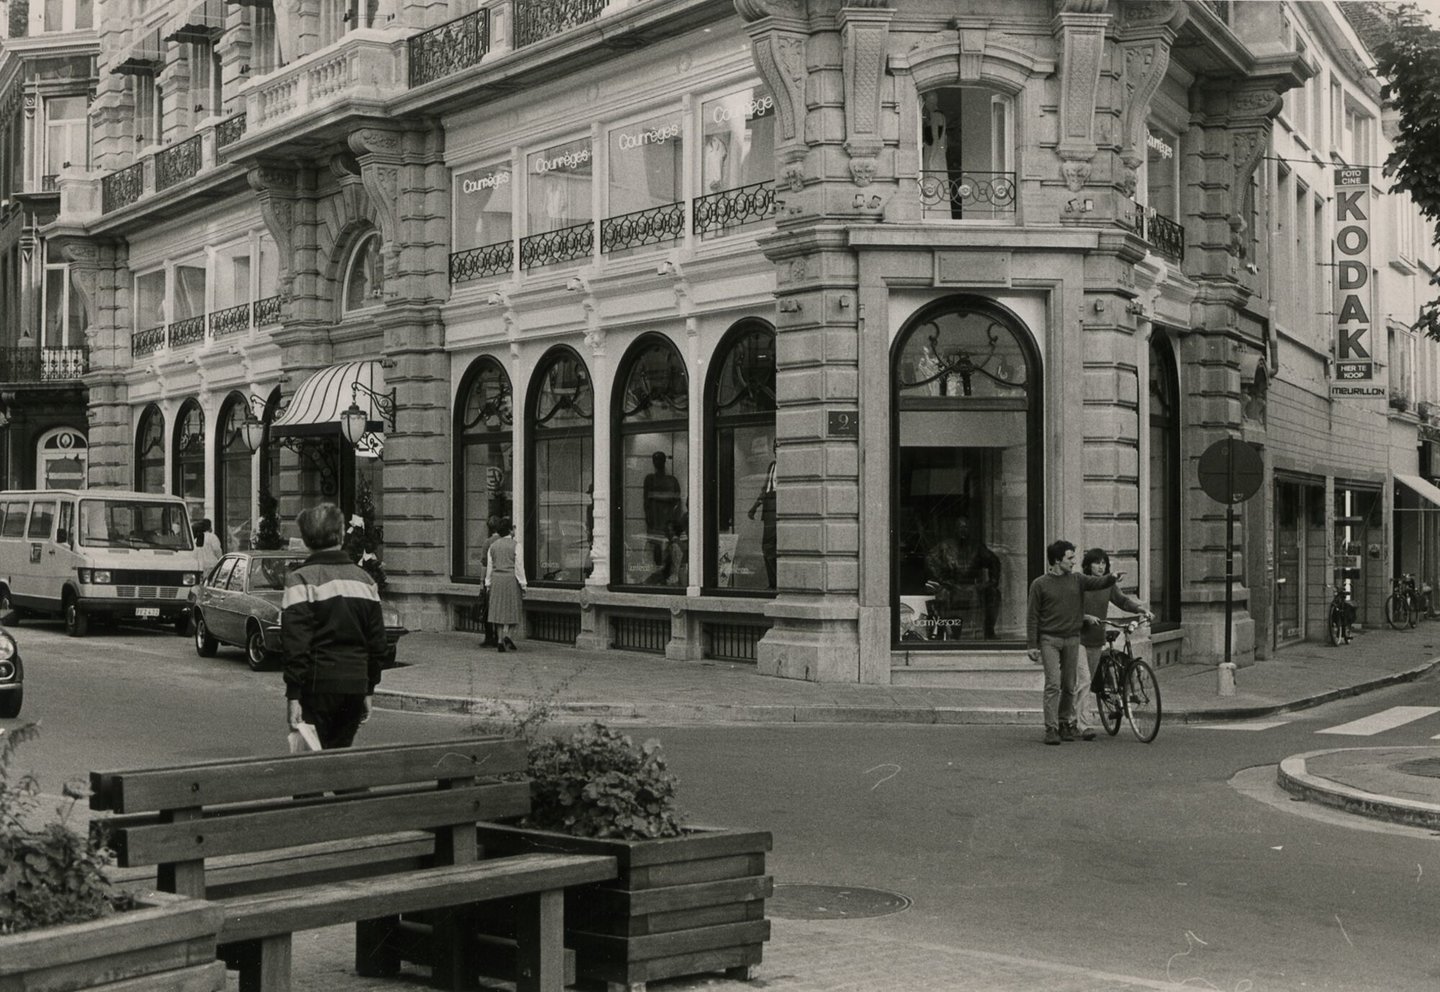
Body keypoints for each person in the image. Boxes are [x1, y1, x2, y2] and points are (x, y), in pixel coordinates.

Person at [281, 503, 388, 750]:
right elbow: (377, 644)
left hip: (317, 686)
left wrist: (294, 695)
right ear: (340, 536)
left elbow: (295, 643)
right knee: (339, 764)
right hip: (354, 684)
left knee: (311, 771)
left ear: (307, 540)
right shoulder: (365, 581)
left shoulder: (301, 580)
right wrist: (368, 689)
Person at [1026, 539, 1118, 746]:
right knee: (1053, 684)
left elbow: (1097, 582)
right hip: (1049, 639)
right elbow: (1032, 616)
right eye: (1070, 558)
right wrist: (1032, 644)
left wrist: (1111, 578)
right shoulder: (1040, 584)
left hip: (1072, 638)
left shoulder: (1077, 579)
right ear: (1057, 560)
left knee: (1069, 685)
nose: (1074, 562)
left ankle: (1065, 723)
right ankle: (1051, 728)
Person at [1075, 548, 1152, 742]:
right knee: (1083, 680)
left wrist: (1140, 609)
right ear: (1088, 565)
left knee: (1087, 681)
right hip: (1078, 639)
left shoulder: (1107, 585)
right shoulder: (1081, 583)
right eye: (1096, 563)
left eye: (1103, 563)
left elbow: (1122, 601)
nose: (1100, 567)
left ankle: (1073, 717)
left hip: (1095, 639)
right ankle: (1083, 725)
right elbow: (1070, 610)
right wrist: (1085, 617)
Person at [485, 517, 527, 653]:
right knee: (513, 609)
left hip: (497, 579)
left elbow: (489, 567)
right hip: (511, 579)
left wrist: (488, 583)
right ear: (510, 530)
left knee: (498, 610)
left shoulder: (493, 546)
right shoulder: (516, 545)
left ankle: (499, 641)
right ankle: (508, 635)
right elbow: (519, 566)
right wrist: (523, 584)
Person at [643, 452, 683, 569]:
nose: (658, 462)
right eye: (655, 460)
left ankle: (667, 571)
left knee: (670, 545)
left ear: (664, 461)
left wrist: (675, 520)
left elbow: (677, 500)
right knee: (657, 546)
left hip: (668, 518)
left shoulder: (672, 480)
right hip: (655, 517)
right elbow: (646, 500)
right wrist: (648, 518)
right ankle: (659, 570)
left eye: (660, 459)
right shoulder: (650, 479)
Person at [747, 439, 777, 588]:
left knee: (772, 546)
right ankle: (773, 582)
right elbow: (765, 488)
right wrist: (755, 506)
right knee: (767, 547)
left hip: (778, 506)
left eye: (778, 445)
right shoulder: (772, 465)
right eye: (775, 445)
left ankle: (778, 583)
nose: (776, 448)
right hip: (769, 508)